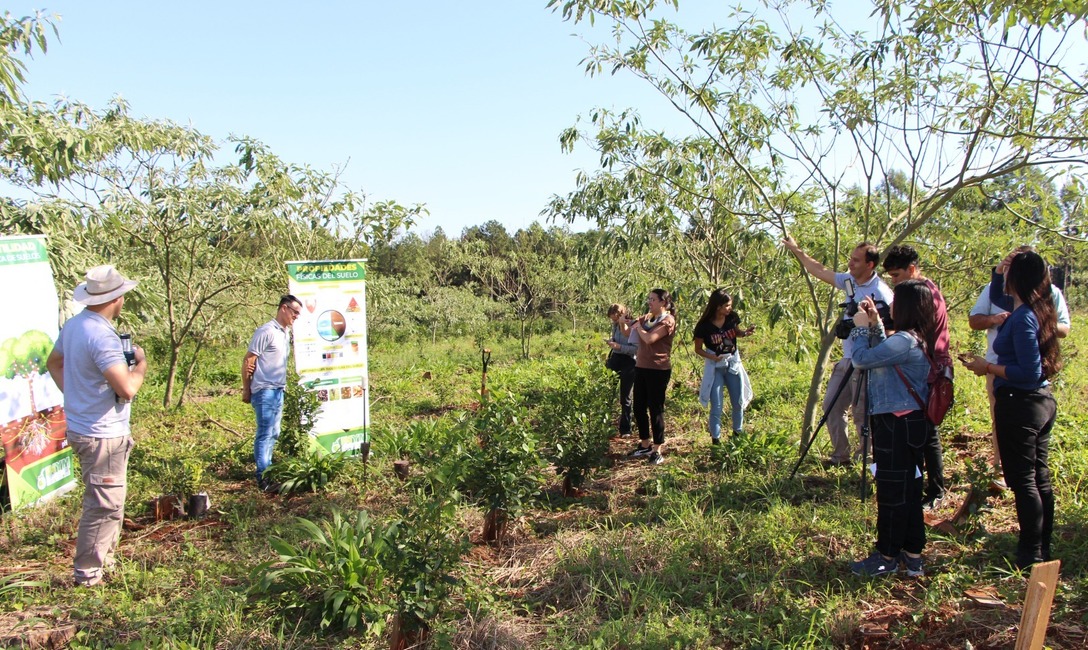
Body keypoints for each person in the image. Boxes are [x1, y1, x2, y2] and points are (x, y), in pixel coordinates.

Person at [45, 265, 147, 587]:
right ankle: (88, 575)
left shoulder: (75, 325)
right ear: (115, 298)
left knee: (111, 501)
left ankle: (105, 560)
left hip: (86, 426)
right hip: (102, 434)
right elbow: (126, 389)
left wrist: (76, 394)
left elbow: (54, 362)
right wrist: (140, 364)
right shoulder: (102, 335)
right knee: (103, 506)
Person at [962, 251, 1062, 570]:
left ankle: (1030, 554)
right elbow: (995, 294)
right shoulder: (1034, 309)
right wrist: (997, 270)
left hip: (1021, 405)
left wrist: (987, 366)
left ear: (1017, 279)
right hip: (1039, 402)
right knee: (1038, 478)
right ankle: (1041, 548)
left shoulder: (1022, 318)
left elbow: (1029, 372)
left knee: (1024, 482)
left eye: (1008, 272)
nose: (1003, 275)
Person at [848, 280, 936, 577]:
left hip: (895, 424)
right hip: (909, 422)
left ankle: (886, 555)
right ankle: (912, 555)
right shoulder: (914, 338)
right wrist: (874, 325)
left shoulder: (905, 341)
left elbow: (862, 360)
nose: (892, 306)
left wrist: (860, 327)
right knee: (908, 490)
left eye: (896, 301)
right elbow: (883, 353)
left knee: (890, 492)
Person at [782, 237, 895, 466]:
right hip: (848, 357)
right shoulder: (849, 282)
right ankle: (840, 455)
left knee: (862, 411)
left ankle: (866, 458)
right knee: (831, 405)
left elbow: (891, 330)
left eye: (856, 260)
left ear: (870, 265)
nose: (850, 264)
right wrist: (796, 249)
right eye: (850, 259)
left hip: (867, 358)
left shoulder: (881, 292)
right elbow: (819, 270)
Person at [969, 246, 1070, 487]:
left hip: (1022, 386)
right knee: (1033, 469)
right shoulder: (1014, 301)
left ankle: (1022, 488)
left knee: (1026, 476)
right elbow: (989, 303)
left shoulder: (1029, 312)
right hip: (1014, 380)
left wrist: (1039, 322)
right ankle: (1001, 471)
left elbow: (1029, 372)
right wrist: (998, 271)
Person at [881, 245, 952, 510]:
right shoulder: (925, 288)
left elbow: (912, 334)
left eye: (898, 275)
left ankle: (935, 489)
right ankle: (920, 484)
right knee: (923, 430)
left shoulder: (922, 295)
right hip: (927, 363)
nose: (895, 282)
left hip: (929, 366)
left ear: (912, 270)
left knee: (927, 431)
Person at [242, 294, 302, 490]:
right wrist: (246, 389)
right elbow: (249, 360)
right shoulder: (266, 331)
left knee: (274, 433)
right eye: (295, 312)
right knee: (265, 433)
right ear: (283, 308)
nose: (296, 317)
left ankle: (267, 471)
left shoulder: (285, 332)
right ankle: (263, 478)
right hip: (264, 390)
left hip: (278, 390)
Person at [693, 289, 755, 444]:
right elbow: (698, 348)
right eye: (727, 306)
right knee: (717, 405)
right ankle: (716, 439)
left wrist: (745, 333)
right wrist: (712, 356)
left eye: (730, 305)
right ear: (717, 306)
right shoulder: (704, 326)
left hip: (732, 364)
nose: (729, 308)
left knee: (738, 401)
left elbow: (736, 332)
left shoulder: (731, 318)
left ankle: (737, 434)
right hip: (716, 366)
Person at [628, 289, 676, 466]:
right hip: (641, 366)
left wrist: (638, 327)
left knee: (655, 408)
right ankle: (645, 443)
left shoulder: (668, 321)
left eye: (653, 299)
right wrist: (622, 322)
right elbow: (629, 334)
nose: (649, 302)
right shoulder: (646, 319)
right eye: (649, 299)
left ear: (663, 302)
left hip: (658, 369)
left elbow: (649, 339)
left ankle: (657, 449)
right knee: (639, 406)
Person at [605, 303, 637, 437]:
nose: (613, 321)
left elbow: (636, 349)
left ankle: (626, 429)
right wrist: (612, 342)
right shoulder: (615, 326)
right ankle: (604, 424)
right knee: (607, 392)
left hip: (628, 362)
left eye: (614, 319)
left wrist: (619, 346)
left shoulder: (633, 326)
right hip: (615, 359)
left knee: (625, 396)